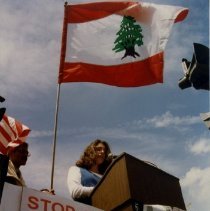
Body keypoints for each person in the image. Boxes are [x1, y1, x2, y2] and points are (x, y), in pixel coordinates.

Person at [67, 139, 112, 204]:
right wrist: (101, 190)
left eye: (104, 151)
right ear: (90, 151)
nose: (102, 152)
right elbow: (75, 192)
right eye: (99, 149)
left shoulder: (107, 177)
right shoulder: (76, 169)